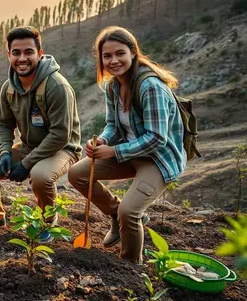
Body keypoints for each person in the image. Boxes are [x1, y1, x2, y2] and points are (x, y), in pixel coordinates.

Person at [68, 26, 186, 264]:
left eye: (120, 53)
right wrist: (103, 140)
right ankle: (114, 214)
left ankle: (131, 267)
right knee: (77, 174)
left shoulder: (150, 87)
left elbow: (156, 139)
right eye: (107, 56)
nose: (114, 61)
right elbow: (112, 125)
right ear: (101, 59)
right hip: (129, 152)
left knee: (129, 212)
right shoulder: (113, 86)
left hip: (158, 159)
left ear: (133, 52)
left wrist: (113, 151)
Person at [0, 26, 82, 242]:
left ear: (39, 54)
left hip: (62, 149)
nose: (22, 58)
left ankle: (46, 224)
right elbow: (3, 123)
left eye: (28, 52)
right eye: (16, 53)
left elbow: (60, 135)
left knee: (41, 177)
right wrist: (5, 151)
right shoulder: (9, 88)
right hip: (28, 147)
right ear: (9, 55)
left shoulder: (57, 86)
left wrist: (26, 164)